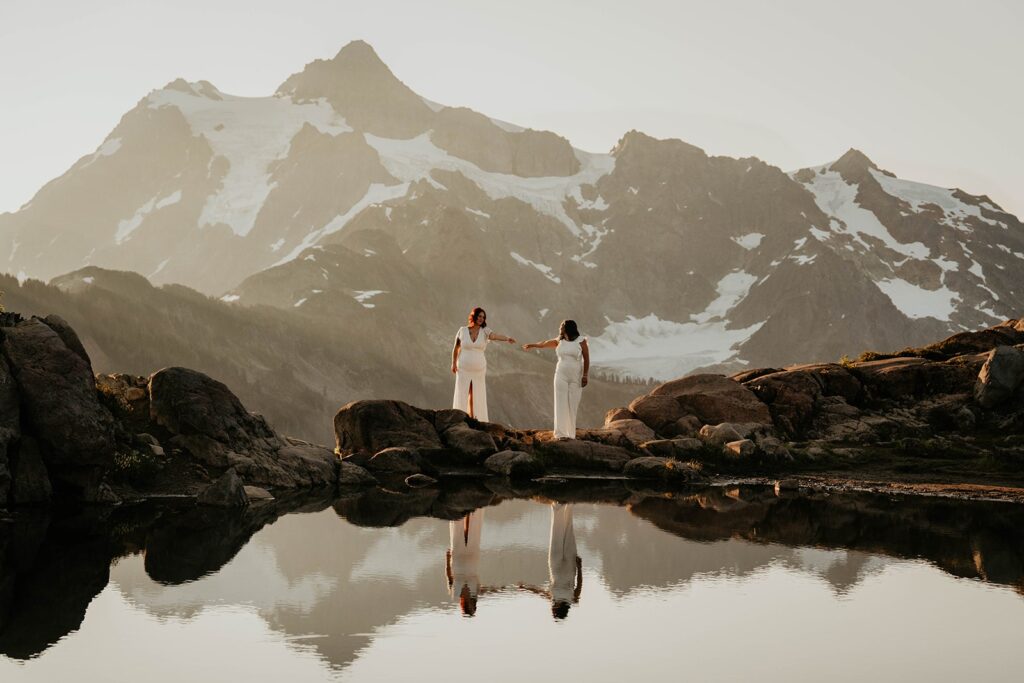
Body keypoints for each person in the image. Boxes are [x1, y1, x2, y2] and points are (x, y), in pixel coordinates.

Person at [522, 320, 590, 439]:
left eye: (562, 326)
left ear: (569, 328)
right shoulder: (559, 340)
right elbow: (543, 344)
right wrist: (533, 345)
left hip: (576, 376)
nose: (560, 327)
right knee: (560, 402)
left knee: (572, 404)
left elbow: (587, 359)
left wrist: (585, 375)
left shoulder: (581, 341)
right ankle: (560, 434)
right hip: (560, 375)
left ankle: (570, 434)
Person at [451, 307, 516, 422]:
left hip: (478, 369)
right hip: (463, 367)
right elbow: (456, 348)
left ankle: (475, 419)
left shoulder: (485, 330)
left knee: (476, 393)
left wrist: (507, 338)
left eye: (483, 317)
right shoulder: (462, 330)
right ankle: (460, 418)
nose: (481, 319)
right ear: (474, 316)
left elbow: (494, 336)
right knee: (462, 391)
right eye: (479, 316)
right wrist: (453, 364)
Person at [445, 509, 485, 616]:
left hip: (457, 559)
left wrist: (447, 558)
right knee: (472, 530)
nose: (473, 607)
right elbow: (486, 589)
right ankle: (474, 508)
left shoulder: (455, 593)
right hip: (472, 560)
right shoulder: (475, 592)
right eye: (474, 608)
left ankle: (460, 508)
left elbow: (449, 576)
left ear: (466, 607)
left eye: (471, 609)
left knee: (459, 529)